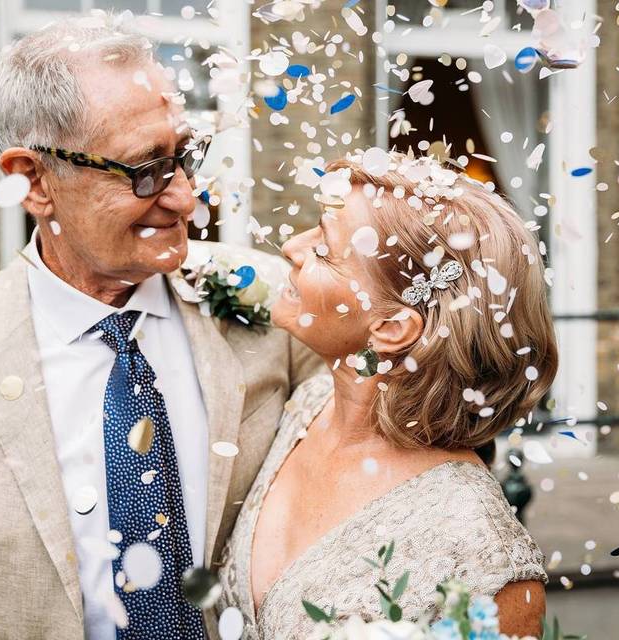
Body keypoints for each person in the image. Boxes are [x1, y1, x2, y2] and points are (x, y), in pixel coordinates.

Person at [0, 14, 321, 640]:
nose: (185, 197)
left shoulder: (274, 305)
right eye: (145, 170)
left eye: (186, 156)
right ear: (32, 179)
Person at [216, 151, 558, 639]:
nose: (292, 247)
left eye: (324, 250)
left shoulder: (480, 552)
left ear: (392, 327)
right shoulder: (306, 405)